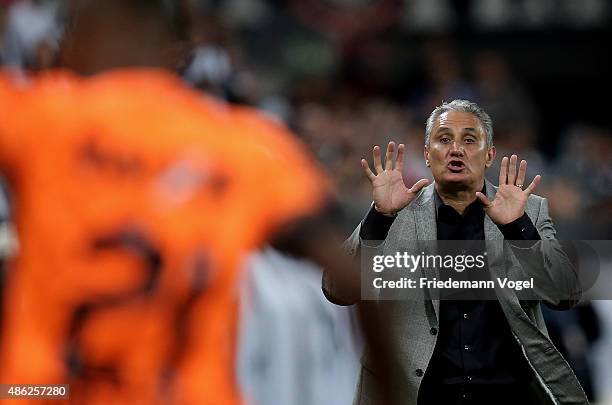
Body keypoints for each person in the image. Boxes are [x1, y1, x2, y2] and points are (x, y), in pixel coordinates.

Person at [0, 1, 365, 404]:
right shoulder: (248, 148)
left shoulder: (45, 118)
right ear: (182, 55)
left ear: (80, 38)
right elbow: (352, 272)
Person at [323, 99, 587, 404]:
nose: (456, 149)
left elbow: (565, 294)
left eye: (469, 140)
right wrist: (378, 219)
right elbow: (337, 290)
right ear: (426, 154)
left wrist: (518, 229)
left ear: (489, 155)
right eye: (444, 139)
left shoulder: (527, 211)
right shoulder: (393, 211)